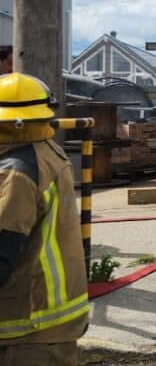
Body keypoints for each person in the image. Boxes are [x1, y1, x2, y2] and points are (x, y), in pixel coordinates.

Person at [0, 73, 88, 365]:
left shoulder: (16, 173)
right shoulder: (46, 151)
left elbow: (2, 250)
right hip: (50, 322)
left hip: (27, 329)